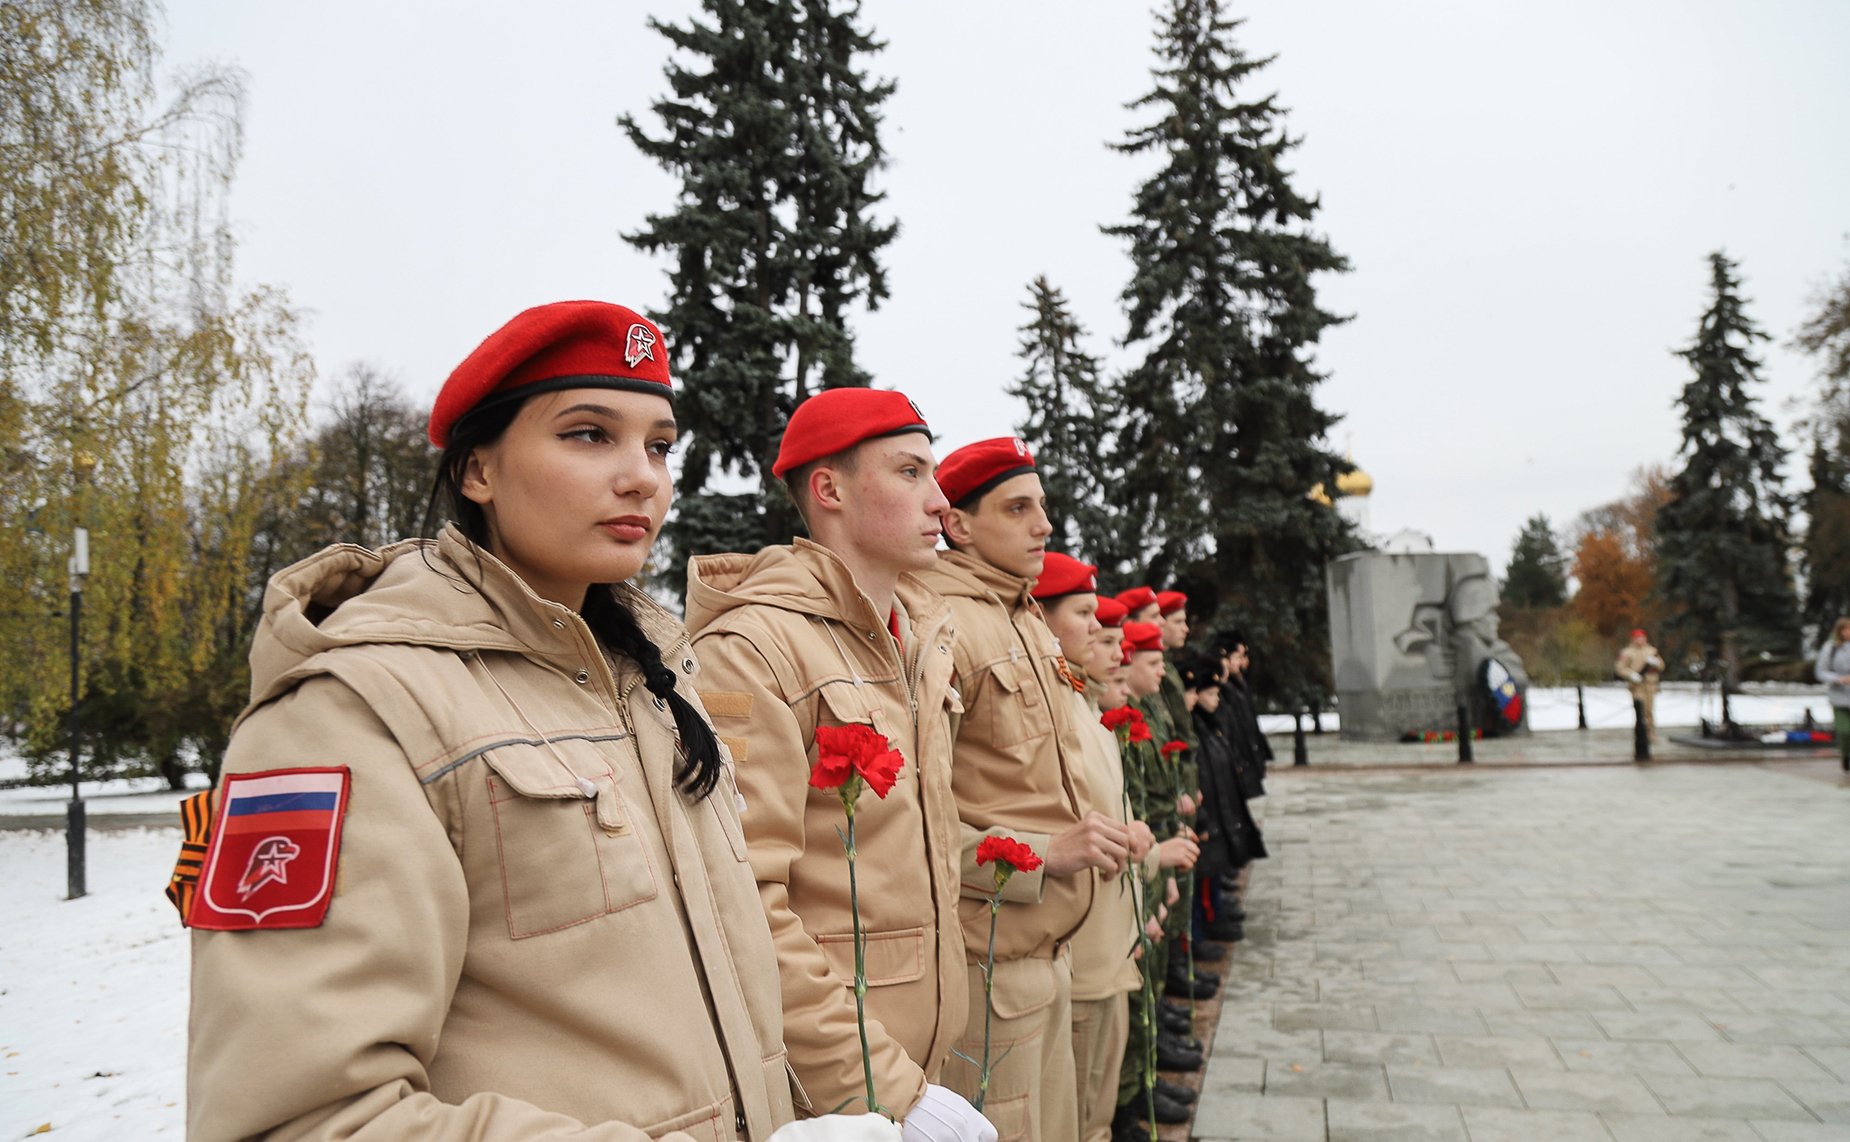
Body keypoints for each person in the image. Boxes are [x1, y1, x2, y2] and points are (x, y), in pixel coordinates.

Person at [180, 302, 819, 1139]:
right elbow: (297, 1115)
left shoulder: (656, 680)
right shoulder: (353, 710)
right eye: (589, 434)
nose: (643, 476)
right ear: (477, 471)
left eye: (659, 445)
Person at [685, 388, 994, 1141]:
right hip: (830, 1093)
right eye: (911, 472)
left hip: (921, 1058)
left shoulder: (917, 639)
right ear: (828, 489)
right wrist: (883, 1089)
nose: (941, 499)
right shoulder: (754, 650)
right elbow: (745, 899)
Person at [916, 437, 1132, 1142]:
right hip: (989, 967)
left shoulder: (1023, 620)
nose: (1044, 524)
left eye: (1042, 506)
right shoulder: (941, 624)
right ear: (959, 525)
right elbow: (915, 826)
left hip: (1049, 954)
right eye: (1018, 508)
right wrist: (1043, 852)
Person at [1033, 556, 1159, 1142]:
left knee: (1097, 1114)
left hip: (1108, 944)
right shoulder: (1054, 710)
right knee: (1082, 1120)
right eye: (1083, 614)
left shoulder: (1083, 708)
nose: (1100, 635)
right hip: (1080, 953)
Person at [1615, 628, 1666, 741]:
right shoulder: (1627, 652)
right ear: (1633, 639)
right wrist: (1631, 675)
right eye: (1637, 638)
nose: (1640, 640)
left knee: (1649, 710)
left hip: (1650, 684)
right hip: (1637, 685)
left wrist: (1656, 663)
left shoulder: (1652, 651)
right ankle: (1640, 733)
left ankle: (1651, 733)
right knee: (1640, 709)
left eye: (1642, 637)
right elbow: (1620, 668)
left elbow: (1662, 666)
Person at [1816, 616, 1850, 772]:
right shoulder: (1831, 648)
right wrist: (1838, 679)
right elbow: (1820, 671)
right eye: (1846, 629)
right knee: (1845, 731)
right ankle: (1846, 754)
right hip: (1840, 697)